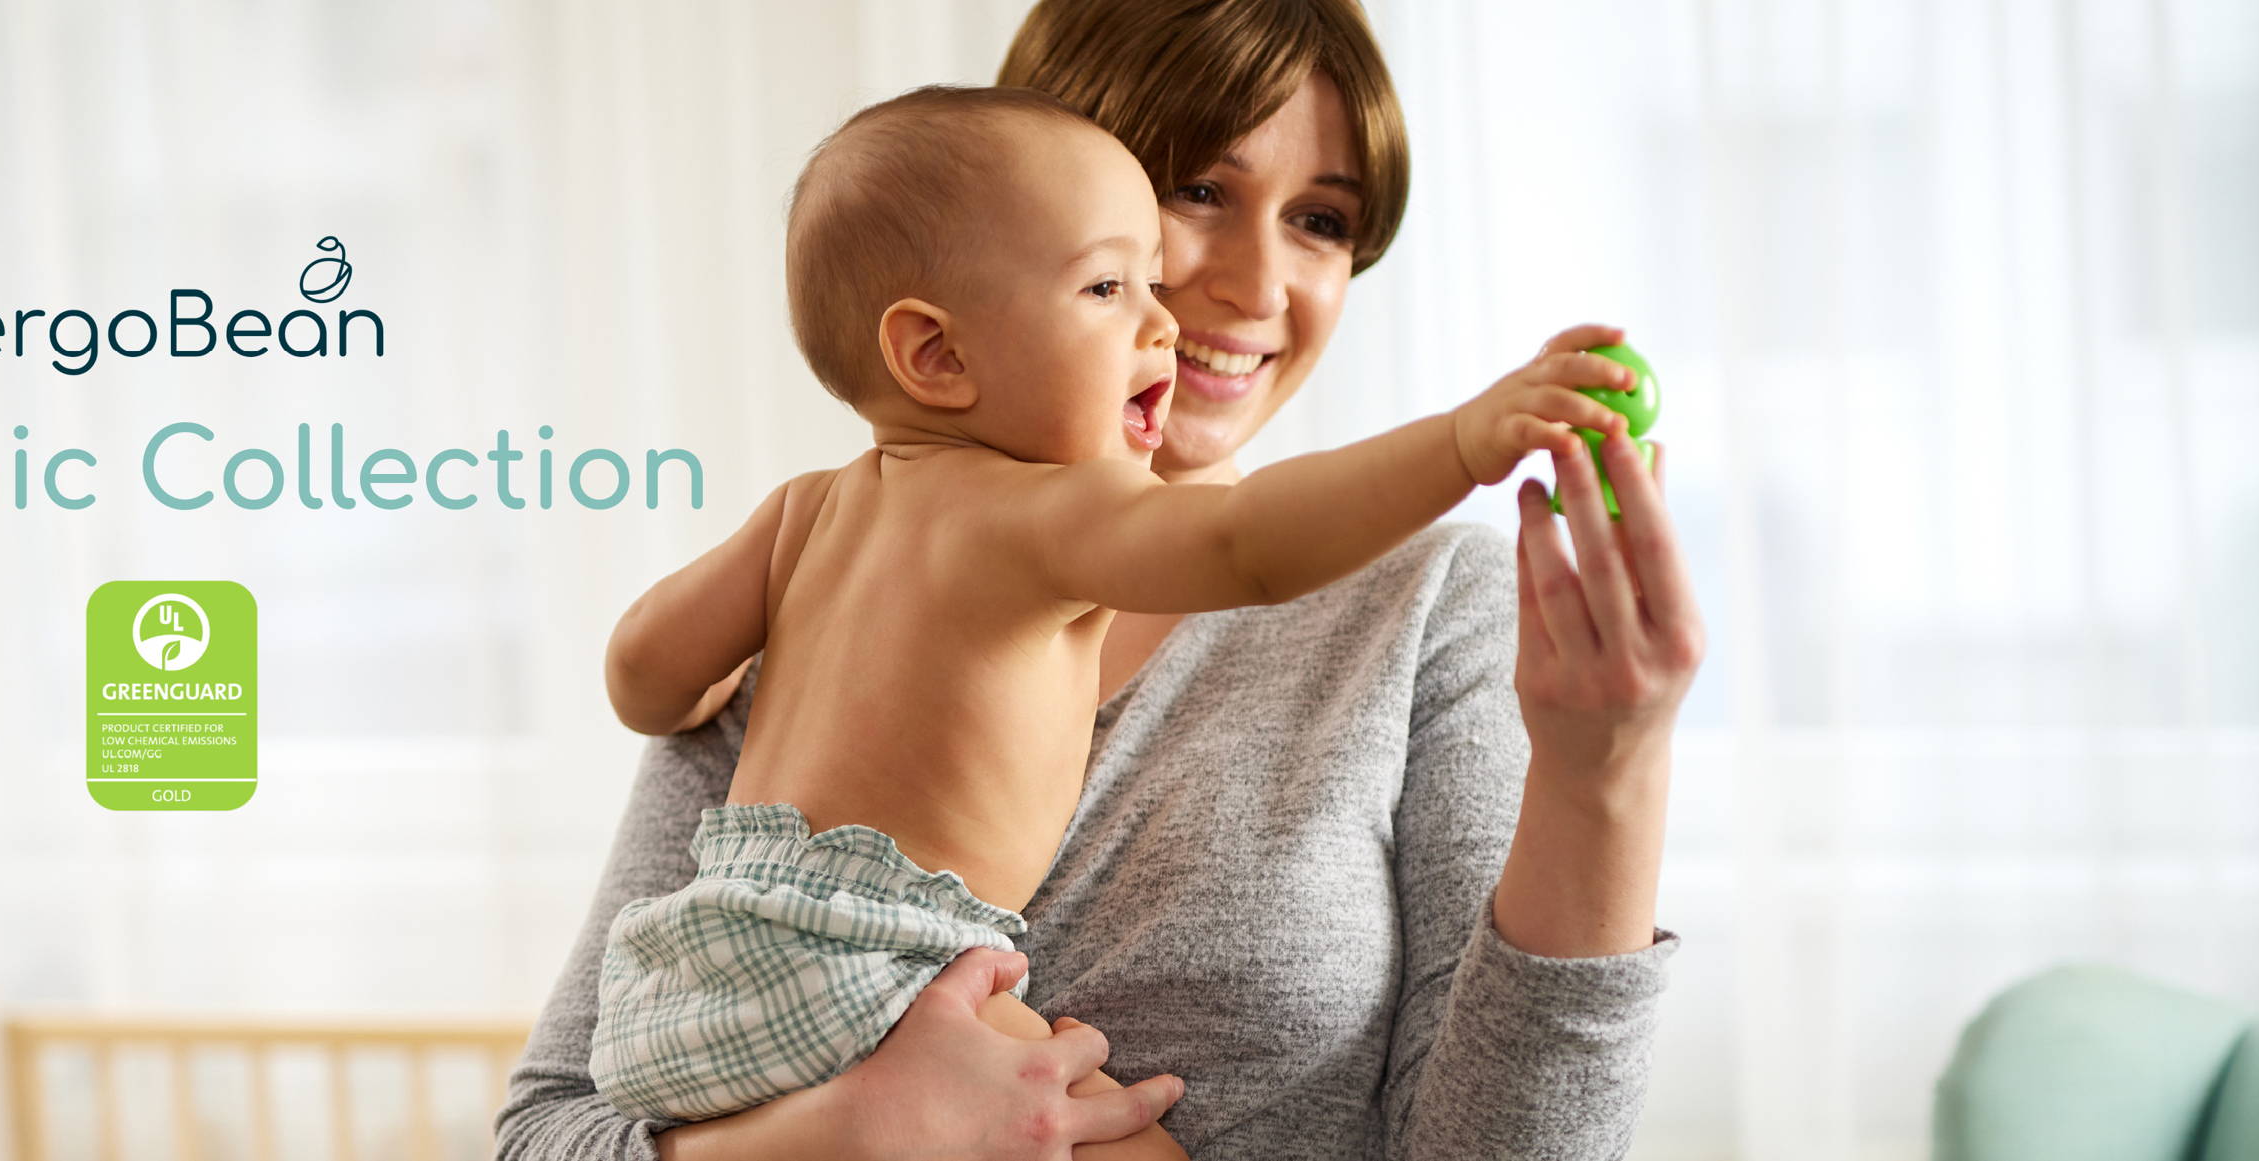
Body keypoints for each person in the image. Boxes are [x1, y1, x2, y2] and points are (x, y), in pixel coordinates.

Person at [498, 2, 1706, 1157]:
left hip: (709, 966)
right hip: (880, 956)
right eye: (1193, 194)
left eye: (1324, 221)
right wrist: (854, 1135)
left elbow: (643, 671)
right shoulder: (1027, 532)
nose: (1245, 290)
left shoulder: (807, 539)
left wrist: (1605, 775)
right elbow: (550, 1135)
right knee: (1104, 1124)